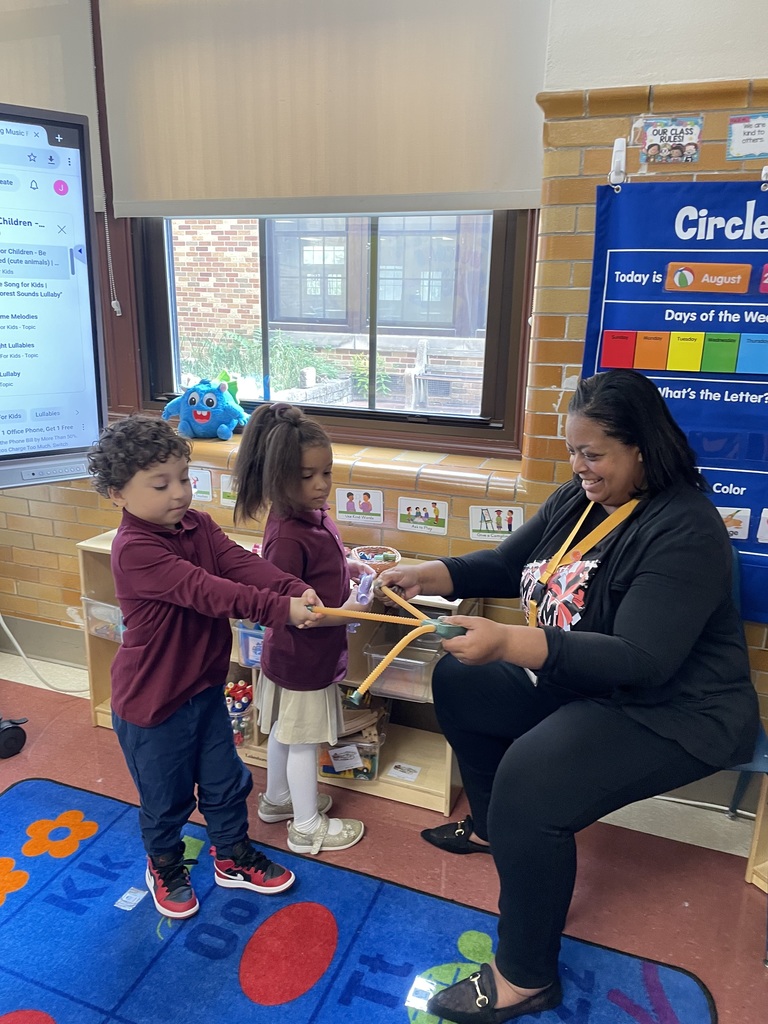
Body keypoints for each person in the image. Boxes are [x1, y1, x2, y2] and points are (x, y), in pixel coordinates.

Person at [377, 368, 759, 1023]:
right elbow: (507, 563)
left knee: (534, 776)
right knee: (459, 681)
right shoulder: (580, 498)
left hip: (676, 709)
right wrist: (432, 572)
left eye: (594, 453)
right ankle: (499, 831)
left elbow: (642, 660)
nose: (579, 466)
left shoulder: (687, 528)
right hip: (588, 679)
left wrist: (508, 644)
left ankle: (525, 976)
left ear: (642, 446)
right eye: (572, 451)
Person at [87, 415, 323, 920]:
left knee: (225, 782)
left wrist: (289, 587)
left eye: (184, 478)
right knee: (165, 799)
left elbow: (239, 564)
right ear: (117, 494)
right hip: (152, 704)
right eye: (161, 484)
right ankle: (165, 864)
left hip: (203, 689)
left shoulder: (197, 525)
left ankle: (232, 856)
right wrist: (279, 610)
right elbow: (207, 591)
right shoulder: (135, 550)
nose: (179, 493)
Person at [234, 402, 370, 855]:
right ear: (278, 478)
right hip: (303, 657)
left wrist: (346, 565)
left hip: (294, 657)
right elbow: (292, 608)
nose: (321, 485)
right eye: (307, 476)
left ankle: (277, 800)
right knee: (303, 740)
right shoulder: (287, 535)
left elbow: (319, 568)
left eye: (326, 472)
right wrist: (352, 609)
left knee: (283, 732)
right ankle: (307, 826)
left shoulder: (311, 515)